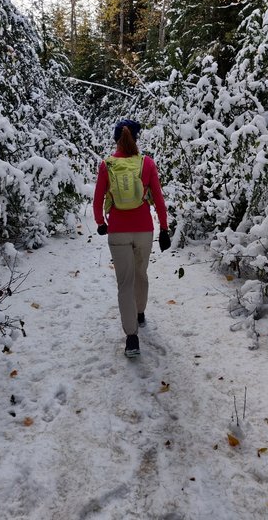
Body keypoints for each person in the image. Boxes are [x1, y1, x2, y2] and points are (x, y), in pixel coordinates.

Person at [93, 119, 171, 357]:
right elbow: (158, 199)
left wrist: (100, 223)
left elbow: (97, 200)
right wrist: (164, 229)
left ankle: (132, 338)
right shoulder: (147, 163)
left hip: (117, 230)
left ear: (116, 138)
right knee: (141, 274)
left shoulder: (107, 165)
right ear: (136, 138)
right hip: (144, 230)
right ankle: (140, 313)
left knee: (124, 282)